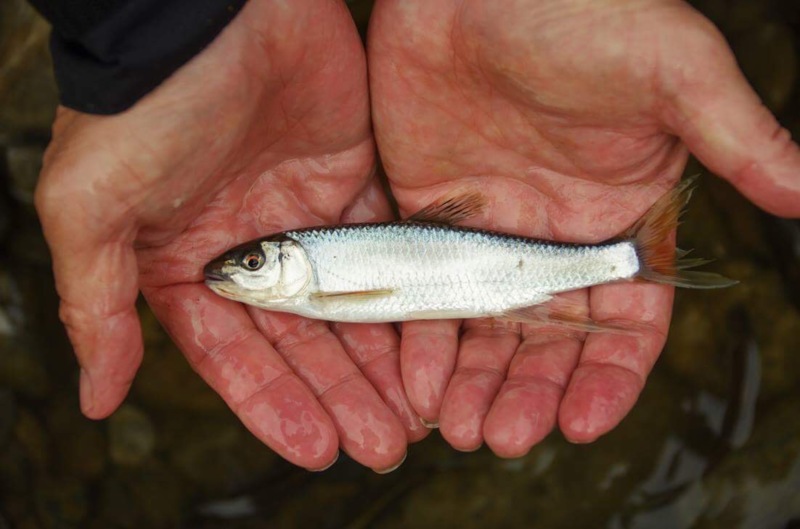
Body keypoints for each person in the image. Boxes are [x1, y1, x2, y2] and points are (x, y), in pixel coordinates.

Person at [31, 0, 800, 472]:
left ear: (291, 260)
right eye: (255, 260)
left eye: (257, 260)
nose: (245, 269)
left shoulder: (324, 285)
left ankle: (633, 257)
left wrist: (150, 31)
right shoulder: (318, 281)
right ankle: (632, 257)